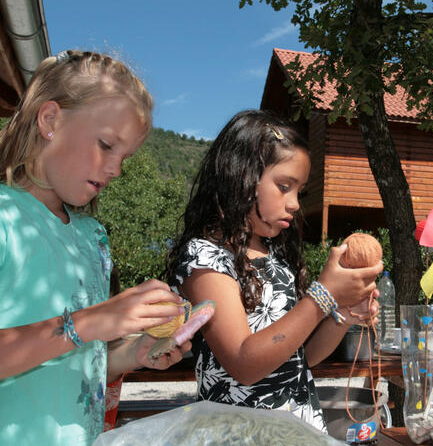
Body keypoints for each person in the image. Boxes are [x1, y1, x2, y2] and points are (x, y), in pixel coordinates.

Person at [0, 50, 192, 445]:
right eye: (106, 145)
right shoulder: (6, 219)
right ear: (50, 119)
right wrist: (89, 322)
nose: (117, 169)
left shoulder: (93, 238)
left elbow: (81, 364)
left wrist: (133, 353)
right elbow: (76, 333)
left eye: (126, 156)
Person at [165, 109, 383, 432]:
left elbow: (299, 357)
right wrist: (323, 295)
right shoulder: (204, 259)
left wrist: (344, 316)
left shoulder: (276, 255)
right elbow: (244, 363)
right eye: (284, 186)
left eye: (299, 191)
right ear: (242, 177)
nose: (295, 203)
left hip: (299, 432)